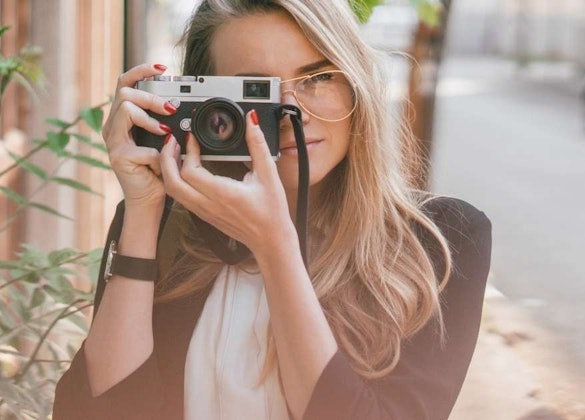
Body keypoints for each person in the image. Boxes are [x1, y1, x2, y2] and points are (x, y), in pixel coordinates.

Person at [54, 0, 492, 419]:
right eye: (254, 90)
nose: (291, 112)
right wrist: (145, 210)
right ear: (205, 103)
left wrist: (276, 247)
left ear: (355, 81)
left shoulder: (442, 242)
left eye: (317, 77)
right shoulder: (166, 226)